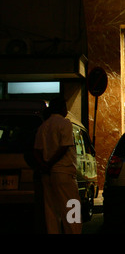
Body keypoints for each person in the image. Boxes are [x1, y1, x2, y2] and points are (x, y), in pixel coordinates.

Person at [33, 97, 82, 234]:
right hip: (63, 172)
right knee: (72, 206)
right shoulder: (65, 123)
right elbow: (64, 146)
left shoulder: (43, 126)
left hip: (47, 174)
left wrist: (44, 165)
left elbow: (36, 151)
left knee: (51, 210)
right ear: (61, 108)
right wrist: (51, 164)